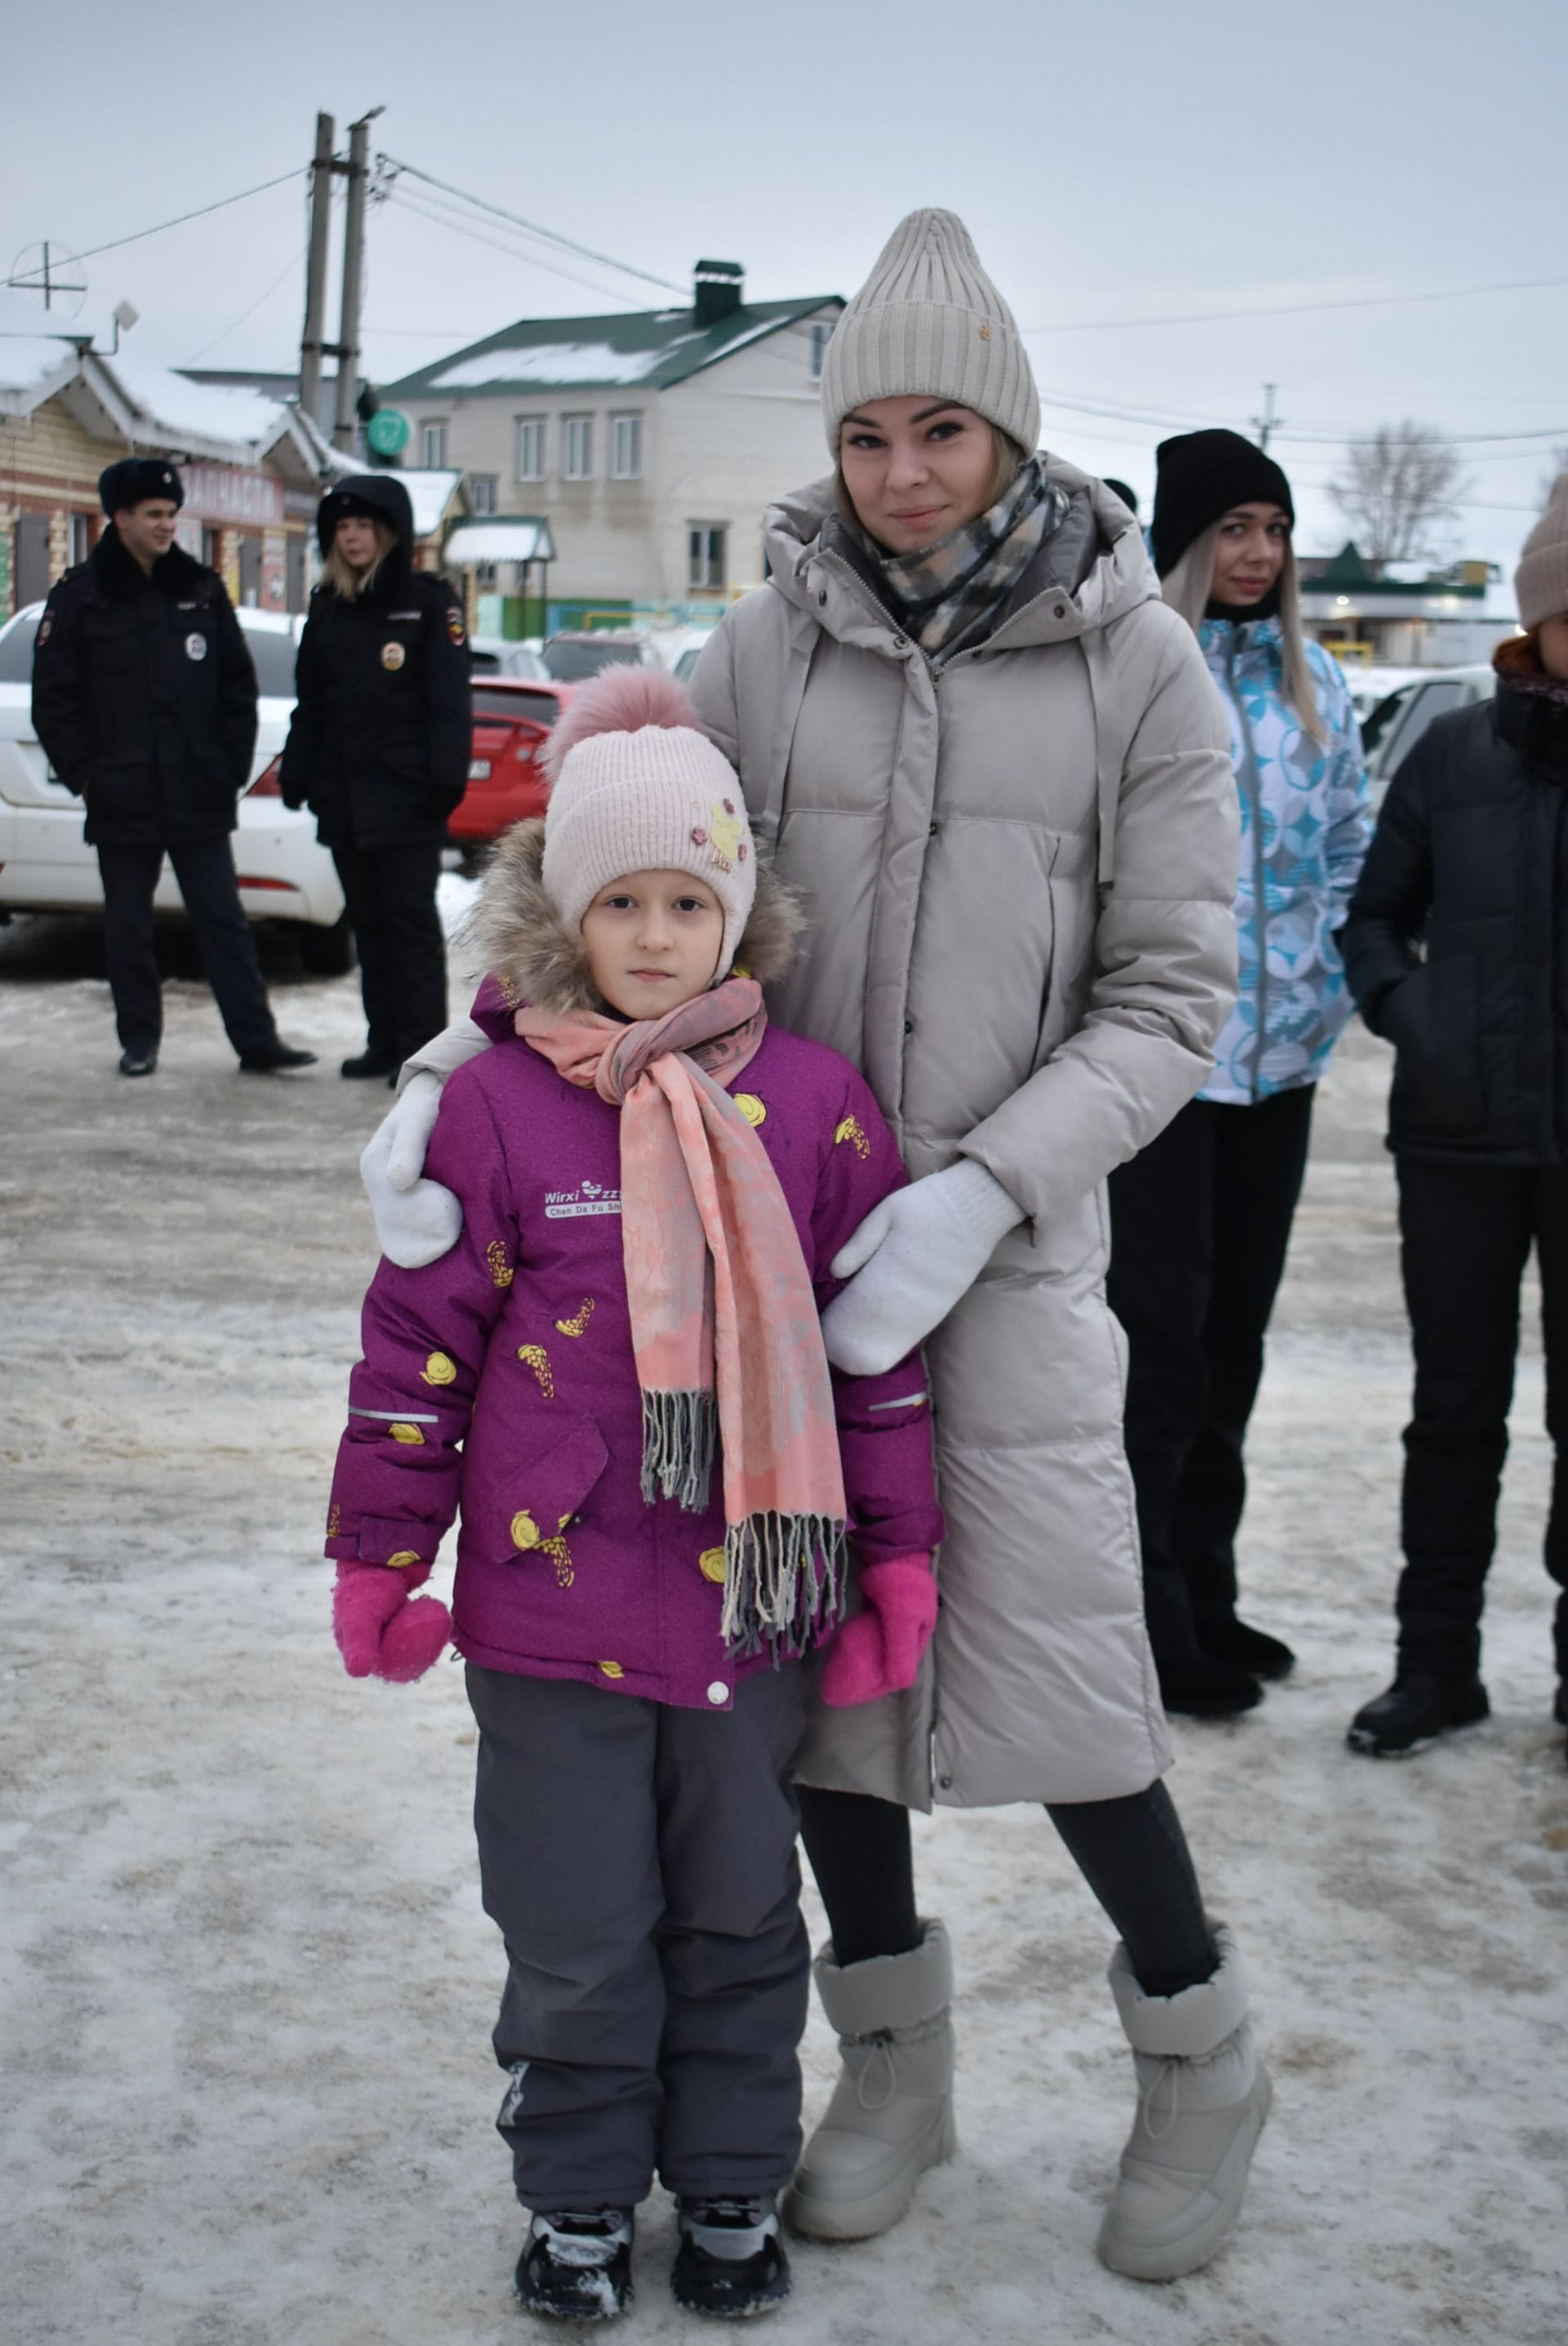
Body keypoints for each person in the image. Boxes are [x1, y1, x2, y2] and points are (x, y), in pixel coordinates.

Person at [356, 212, 1272, 2283]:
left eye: (940, 428)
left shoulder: (1141, 666)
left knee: (1066, 1685)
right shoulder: (756, 653)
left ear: (1011, 434)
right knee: (814, 1684)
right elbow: (609, 892)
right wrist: (442, 1070)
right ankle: (892, 2056)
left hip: (1000, 1258)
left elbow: (1168, 995)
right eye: (864, 433)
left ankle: (1198, 2047)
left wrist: (978, 1190)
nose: (901, 473)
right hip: (756, 1265)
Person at [326, 665, 944, 2321]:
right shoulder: (502, 1102)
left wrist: (894, 1559)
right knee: (577, 1924)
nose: (658, 935)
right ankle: (584, 2192)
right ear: (564, 915)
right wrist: (380, 1555)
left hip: (757, 1609)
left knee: (743, 1911)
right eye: (623, 902)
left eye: (690, 900)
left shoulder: (810, 1103)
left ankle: (735, 2174)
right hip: (548, 1620)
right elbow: (418, 1349)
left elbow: (869, 1355)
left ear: (736, 913)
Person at [1107, 430, 1370, 1717]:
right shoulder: (1143, 672)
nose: (1258, 554)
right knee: (1157, 1355)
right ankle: (1150, 1627)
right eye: (1234, 530)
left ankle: (1207, 1593)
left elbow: (1347, 856)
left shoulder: (1316, 680)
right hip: (1168, 1072)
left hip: (1281, 1070)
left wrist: (1331, 981)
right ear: (1187, 541)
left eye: (1274, 529)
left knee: (1233, 1351)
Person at [1342, 479, 1568, 1762]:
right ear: (1537, 623)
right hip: (1457, 1142)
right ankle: (1437, 1668)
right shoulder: (1452, 752)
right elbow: (1374, 913)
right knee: (1456, 1409)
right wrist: (1409, 1015)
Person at [29, 458, 316, 1077]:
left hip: (197, 794)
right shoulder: (81, 597)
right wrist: (87, 777)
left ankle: (257, 1043)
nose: (166, 526)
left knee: (224, 924)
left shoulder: (201, 590)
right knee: (128, 927)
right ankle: (139, 1041)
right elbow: (53, 702)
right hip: (121, 795)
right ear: (121, 517)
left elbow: (236, 690)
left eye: (171, 515)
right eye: (154, 515)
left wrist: (226, 770)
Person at [280, 475, 470, 1082]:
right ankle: (383, 1042)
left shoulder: (428, 602)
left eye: (363, 525)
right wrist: (297, 770)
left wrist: (444, 787)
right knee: (369, 927)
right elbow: (311, 703)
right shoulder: (328, 607)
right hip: (345, 800)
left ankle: (422, 1054)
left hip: (408, 800)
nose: (353, 536)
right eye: (342, 527)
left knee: (409, 929)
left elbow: (449, 704)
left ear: (387, 533)